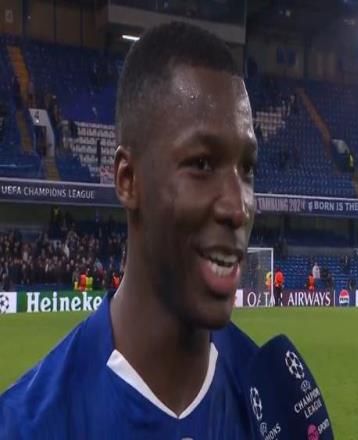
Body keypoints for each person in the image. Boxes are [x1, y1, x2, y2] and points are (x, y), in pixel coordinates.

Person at [1, 22, 330, 439]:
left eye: (247, 168)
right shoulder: (24, 426)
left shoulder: (274, 410)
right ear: (128, 180)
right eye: (202, 164)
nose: (240, 207)